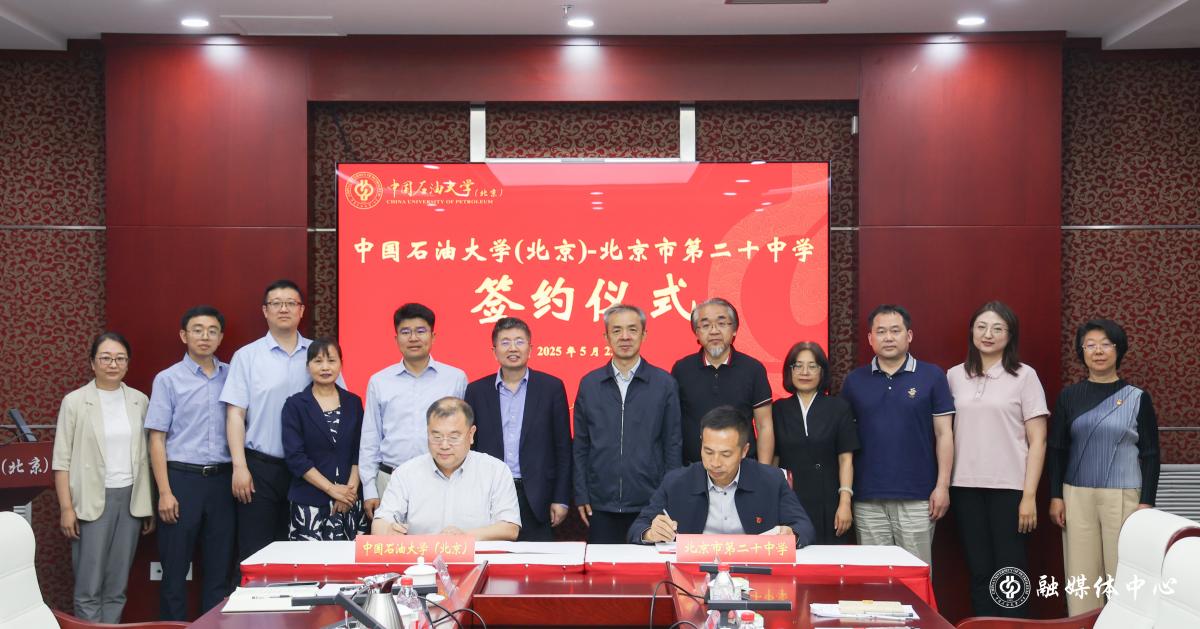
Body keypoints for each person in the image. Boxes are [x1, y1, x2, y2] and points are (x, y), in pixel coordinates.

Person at [1049, 319, 1159, 615]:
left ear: (1118, 350)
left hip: (1124, 496)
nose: (1098, 351)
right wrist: (1056, 495)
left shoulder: (1137, 398)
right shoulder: (1069, 397)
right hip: (1076, 495)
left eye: (1106, 344)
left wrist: (1146, 502)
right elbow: (1057, 449)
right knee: (1081, 576)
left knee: (1124, 572)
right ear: (1081, 352)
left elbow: (1150, 453)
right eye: (1090, 345)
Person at [221, 279, 337, 561]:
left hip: (311, 470)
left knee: (304, 554)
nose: (283, 309)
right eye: (276, 303)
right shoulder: (247, 356)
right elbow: (235, 414)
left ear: (301, 310)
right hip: (261, 468)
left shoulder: (319, 355)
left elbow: (338, 407)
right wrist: (239, 466)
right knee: (256, 553)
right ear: (265, 311)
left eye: (290, 303)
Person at [947, 302, 1048, 618]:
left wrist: (1029, 496)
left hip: (1009, 488)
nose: (988, 334)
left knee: (1010, 573)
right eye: (981, 327)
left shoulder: (1024, 376)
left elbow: (1038, 440)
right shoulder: (954, 376)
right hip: (964, 486)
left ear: (1010, 335)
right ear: (972, 332)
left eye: (997, 328)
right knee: (979, 570)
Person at [51, 332, 154, 623]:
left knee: (117, 585)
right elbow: (61, 460)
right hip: (90, 501)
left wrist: (147, 504)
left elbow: (147, 456)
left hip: (130, 499)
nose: (113, 364)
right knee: (89, 586)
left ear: (128, 364)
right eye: (105, 358)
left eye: (120, 358)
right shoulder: (75, 402)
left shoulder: (139, 400)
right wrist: (66, 508)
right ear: (92, 363)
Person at [840, 304, 954, 566]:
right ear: (870, 338)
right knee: (875, 577)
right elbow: (845, 442)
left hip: (918, 496)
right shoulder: (854, 381)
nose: (888, 337)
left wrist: (942, 486)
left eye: (895, 330)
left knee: (914, 575)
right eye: (881, 332)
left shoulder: (932, 376)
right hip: (868, 497)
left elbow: (944, 434)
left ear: (909, 335)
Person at [145, 306, 236, 620]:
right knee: (174, 571)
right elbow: (156, 439)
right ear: (184, 335)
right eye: (197, 330)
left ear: (221, 337)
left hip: (223, 482)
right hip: (182, 481)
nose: (205, 336)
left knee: (219, 570)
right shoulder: (168, 379)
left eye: (212, 330)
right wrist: (164, 492)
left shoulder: (232, 376)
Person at [573, 304, 682, 544]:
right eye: (617, 330)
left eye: (632, 330)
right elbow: (581, 445)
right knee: (602, 567)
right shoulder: (590, 384)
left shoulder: (664, 384)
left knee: (647, 567)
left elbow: (672, 445)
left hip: (650, 503)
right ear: (606, 337)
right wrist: (581, 493)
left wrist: (670, 494)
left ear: (644, 335)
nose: (625, 337)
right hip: (600, 503)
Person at [631, 406, 815, 546]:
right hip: (694, 571)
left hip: (753, 570)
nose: (715, 462)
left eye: (726, 454)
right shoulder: (677, 481)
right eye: (708, 452)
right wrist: (651, 533)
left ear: (744, 451)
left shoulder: (771, 480)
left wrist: (790, 534)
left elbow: (804, 527)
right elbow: (638, 527)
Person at [465, 317, 571, 541]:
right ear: (494, 351)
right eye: (505, 342)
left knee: (537, 559)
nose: (512, 348)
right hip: (490, 494)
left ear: (530, 349)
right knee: (493, 557)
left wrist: (561, 498)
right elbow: (470, 448)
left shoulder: (551, 387)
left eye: (519, 341)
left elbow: (563, 448)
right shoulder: (476, 391)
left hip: (537, 496)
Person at [360, 303, 467, 520]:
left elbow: (465, 436)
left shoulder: (455, 379)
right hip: (391, 479)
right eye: (406, 332)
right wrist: (369, 488)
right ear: (396, 338)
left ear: (433, 336)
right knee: (391, 540)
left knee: (442, 539)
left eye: (420, 331)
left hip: (442, 478)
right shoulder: (379, 381)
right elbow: (371, 437)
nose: (413, 338)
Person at [371, 397, 520, 540]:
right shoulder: (406, 473)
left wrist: (464, 538)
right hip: (422, 556)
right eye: (436, 437)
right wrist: (387, 530)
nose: (444, 445)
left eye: (453, 437)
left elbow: (509, 528)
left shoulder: (495, 471)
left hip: (477, 555)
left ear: (471, 434)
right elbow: (381, 522)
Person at [771, 342, 859, 545]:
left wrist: (845, 502)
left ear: (822, 371)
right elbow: (774, 459)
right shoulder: (778, 409)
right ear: (790, 371)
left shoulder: (839, 408)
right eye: (798, 366)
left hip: (829, 500)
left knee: (829, 559)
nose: (805, 372)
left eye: (812, 366)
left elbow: (846, 460)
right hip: (790, 498)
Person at [671, 297, 775, 465]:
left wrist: (763, 473)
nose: (714, 331)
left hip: (743, 468)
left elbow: (764, 426)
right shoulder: (681, 370)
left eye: (721, 323)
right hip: (694, 469)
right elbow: (672, 425)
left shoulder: (753, 369)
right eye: (705, 325)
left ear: (734, 329)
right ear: (697, 333)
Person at [281, 339, 366, 540]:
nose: (325, 367)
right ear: (308, 366)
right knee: (310, 559)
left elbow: (360, 450)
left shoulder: (353, 402)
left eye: (331, 361)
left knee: (349, 559)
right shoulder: (295, 405)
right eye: (318, 361)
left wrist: (349, 492)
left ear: (341, 364)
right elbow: (295, 457)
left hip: (349, 501)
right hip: (309, 502)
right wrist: (332, 490)